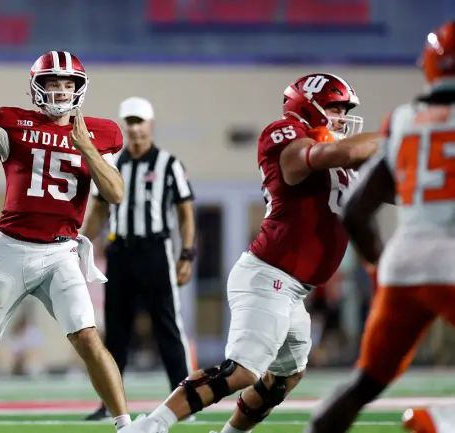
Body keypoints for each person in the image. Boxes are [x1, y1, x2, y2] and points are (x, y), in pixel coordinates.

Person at [119, 72, 380, 433]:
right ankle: (151, 425)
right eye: (335, 108)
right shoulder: (285, 133)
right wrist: (392, 137)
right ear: (309, 105)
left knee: (285, 376)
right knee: (241, 370)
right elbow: (326, 156)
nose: (341, 117)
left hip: (295, 290)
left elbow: (370, 181)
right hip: (269, 275)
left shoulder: (333, 158)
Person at [0, 50, 132, 432]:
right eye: (52, 84)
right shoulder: (14, 123)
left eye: (67, 84)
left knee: (88, 338)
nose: (60, 91)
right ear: (37, 88)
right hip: (11, 249)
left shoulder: (101, 134)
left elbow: (116, 193)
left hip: (61, 252)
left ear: (79, 88)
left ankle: (125, 425)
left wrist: (86, 146)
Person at [305, 21, 455, 433]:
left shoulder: (404, 119)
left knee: (364, 384)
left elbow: (355, 209)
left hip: (403, 264)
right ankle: (443, 420)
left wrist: (379, 265)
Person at [82, 96, 195, 421]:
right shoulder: (112, 163)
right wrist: (76, 243)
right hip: (119, 251)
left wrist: (186, 253)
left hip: (155, 251)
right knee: (115, 331)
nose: (134, 128)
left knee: (167, 326)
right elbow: (99, 211)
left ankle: (185, 399)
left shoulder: (169, 164)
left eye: (140, 121)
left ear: (151, 124)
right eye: (129, 122)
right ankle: (110, 405)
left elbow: (186, 214)